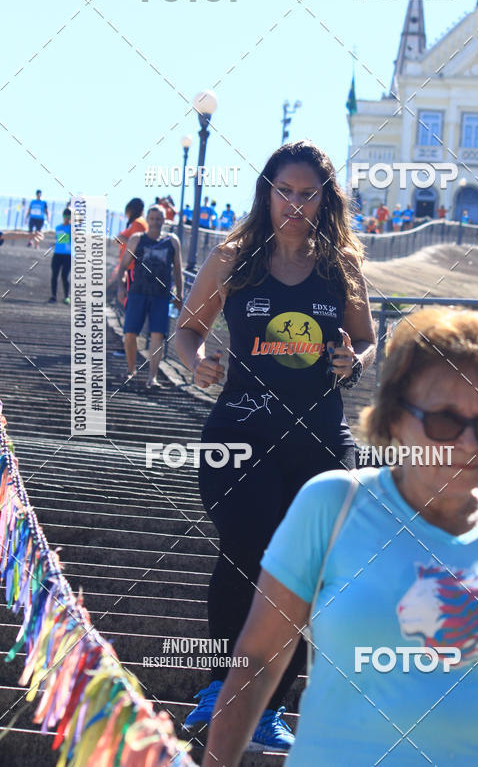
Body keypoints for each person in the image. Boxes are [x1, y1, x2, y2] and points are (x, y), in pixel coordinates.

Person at [200, 305, 478, 767]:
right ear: (393, 420)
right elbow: (259, 661)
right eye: (444, 421)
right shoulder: (331, 505)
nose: (469, 444)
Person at [176, 140, 376, 750]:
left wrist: (352, 360)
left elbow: (368, 342)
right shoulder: (234, 258)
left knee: (307, 571)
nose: (295, 203)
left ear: (324, 199)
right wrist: (196, 362)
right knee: (245, 550)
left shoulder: (339, 266)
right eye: (284, 190)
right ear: (266, 192)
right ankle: (220, 688)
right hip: (240, 435)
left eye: (308, 193)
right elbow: (186, 329)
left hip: (319, 442)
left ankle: (268, 706)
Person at [117, 205, 183, 389]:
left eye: (158, 218)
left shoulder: (172, 241)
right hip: (138, 293)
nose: (155, 222)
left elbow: (178, 270)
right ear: (148, 219)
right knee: (129, 334)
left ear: (164, 220)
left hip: (161, 296)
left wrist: (180, 294)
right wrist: (121, 287)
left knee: (157, 336)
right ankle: (131, 371)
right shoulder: (137, 239)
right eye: (152, 218)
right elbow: (123, 266)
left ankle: (152, 377)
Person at [48, 208, 71, 304]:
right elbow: (59, 240)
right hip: (57, 254)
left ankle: (66, 296)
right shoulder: (58, 228)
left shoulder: (72, 228)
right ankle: (53, 296)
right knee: (54, 275)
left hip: (67, 255)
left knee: (64, 276)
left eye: (68, 217)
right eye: (65, 216)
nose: (66, 218)